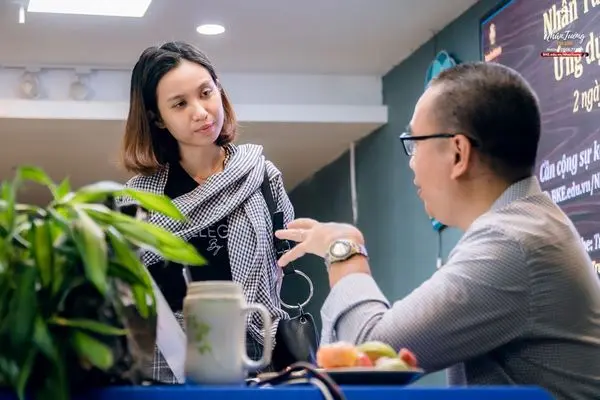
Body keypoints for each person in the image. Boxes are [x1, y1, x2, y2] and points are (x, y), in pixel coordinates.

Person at [274, 62, 600, 399]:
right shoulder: (526, 227)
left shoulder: (511, 243)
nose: (412, 162)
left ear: (458, 153)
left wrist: (344, 248)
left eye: (415, 143)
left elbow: (369, 358)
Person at [115, 41, 293, 383]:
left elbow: (280, 268)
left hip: (256, 361)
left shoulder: (262, 177)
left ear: (219, 91)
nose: (200, 112)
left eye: (206, 93)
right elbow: (127, 294)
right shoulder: (138, 200)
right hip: (165, 368)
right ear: (157, 118)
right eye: (180, 104)